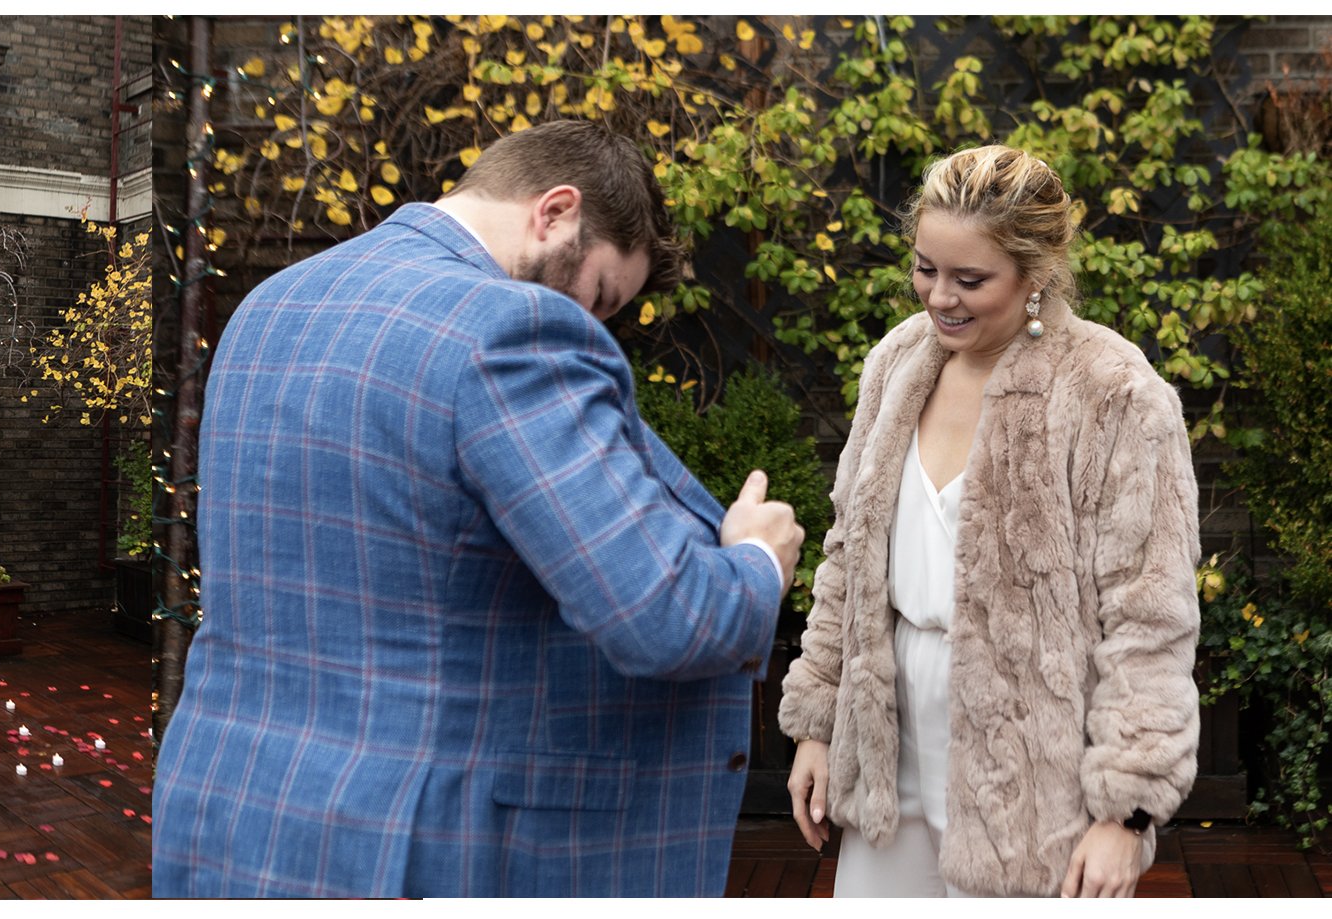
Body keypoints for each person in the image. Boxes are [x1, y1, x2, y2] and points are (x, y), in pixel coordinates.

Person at [150, 120, 806, 898]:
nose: (593, 325)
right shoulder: (514, 329)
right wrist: (756, 559)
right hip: (422, 850)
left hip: (234, 817)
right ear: (555, 211)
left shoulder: (269, 305)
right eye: (597, 295)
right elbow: (662, 612)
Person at [779, 145, 1201, 897]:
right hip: (886, 736)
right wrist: (816, 719)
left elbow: (1148, 616)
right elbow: (848, 554)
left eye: (971, 279)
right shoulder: (896, 363)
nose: (940, 297)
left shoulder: (1115, 392)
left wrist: (1128, 808)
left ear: (1035, 273)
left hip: (1034, 754)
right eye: (925, 268)